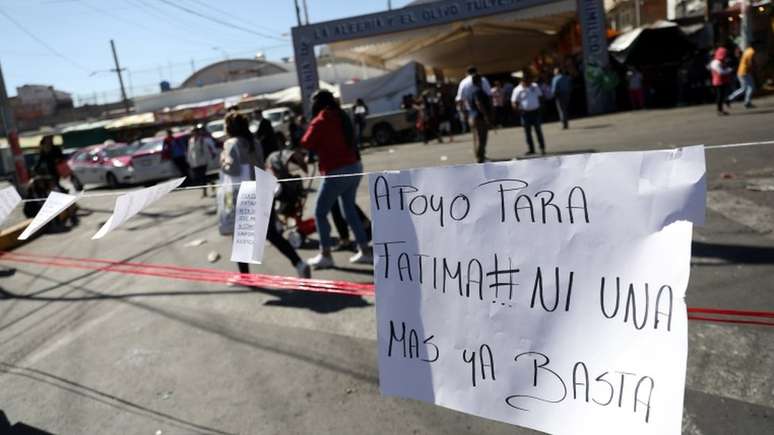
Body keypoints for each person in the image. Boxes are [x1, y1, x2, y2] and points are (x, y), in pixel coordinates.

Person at [220, 112, 311, 279]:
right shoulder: (254, 142)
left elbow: (232, 169)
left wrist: (223, 161)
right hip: (262, 188)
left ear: (230, 128)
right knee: (272, 234)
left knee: (241, 237)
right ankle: (299, 263)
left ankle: (245, 277)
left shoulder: (231, 144)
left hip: (245, 193)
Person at [301, 89, 371, 269]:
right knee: (349, 210)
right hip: (354, 167)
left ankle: (326, 255)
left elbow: (305, 142)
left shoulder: (321, 120)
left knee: (319, 212)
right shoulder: (342, 115)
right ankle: (364, 250)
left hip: (336, 171)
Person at [511, 73, 546, 155]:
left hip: (535, 112)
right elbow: (513, 102)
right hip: (525, 113)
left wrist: (541, 107)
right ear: (522, 81)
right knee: (527, 132)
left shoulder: (534, 86)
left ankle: (542, 148)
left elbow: (540, 96)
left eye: (529, 80)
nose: (528, 81)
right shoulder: (517, 90)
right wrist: (518, 111)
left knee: (538, 130)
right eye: (526, 80)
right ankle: (531, 149)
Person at [467, 74, 493, 163]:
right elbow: (479, 103)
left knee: (476, 138)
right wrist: (485, 115)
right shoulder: (478, 91)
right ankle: (480, 158)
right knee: (482, 138)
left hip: (472, 116)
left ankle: (479, 156)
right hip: (479, 117)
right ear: (479, 81)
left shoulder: (470, 91)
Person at [187, 124, 217, 197]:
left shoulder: (203, 140)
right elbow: (190, 152)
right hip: (195, 162)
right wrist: (189, 160)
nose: (194, 133)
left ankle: (204, 192)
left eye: (195, 132)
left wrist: (208, 160)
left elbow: (207, 151)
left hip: (203, 161)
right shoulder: (190, 141)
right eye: (193, 132)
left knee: (202, 176)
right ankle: (211, 182)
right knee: (199, 177)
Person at [709, 47, 733, 116]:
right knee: (720, 96)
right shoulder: (716, 62)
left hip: (722, 81)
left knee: (722, 96)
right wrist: (729, 70)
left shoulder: (720, 61)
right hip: (718, 82)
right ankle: (719, 110)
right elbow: (720, 72)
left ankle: (721, 109)